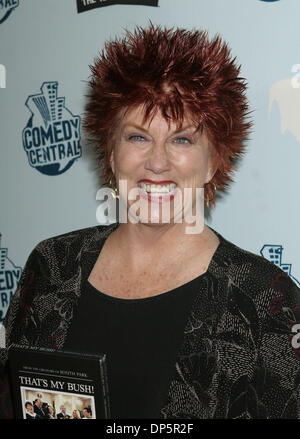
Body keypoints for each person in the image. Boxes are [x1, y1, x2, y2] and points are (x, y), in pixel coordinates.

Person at [1, 23, 300, 419]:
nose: (157, 163)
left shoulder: (266, 300)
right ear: (110, 153)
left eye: (182, 139)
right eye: (138, 137)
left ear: (214, 160)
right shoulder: (52, 266)